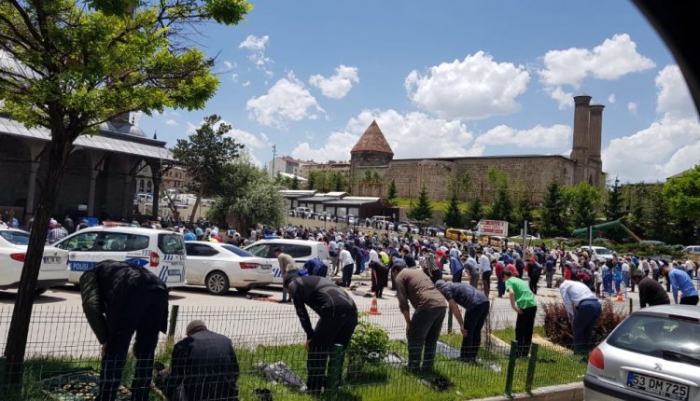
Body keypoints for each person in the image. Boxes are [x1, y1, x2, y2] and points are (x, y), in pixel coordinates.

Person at [80, 260, 169, 401]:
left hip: (130, 291)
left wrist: (105, 340)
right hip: (159, 290)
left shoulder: (89, 274)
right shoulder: (120, 269)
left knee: (115, 353)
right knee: (146, 352)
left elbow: (91, 306)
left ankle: (106, 397)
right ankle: (140, 396)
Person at [284, 270, 358, 394]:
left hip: (333, 309)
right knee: (337, 350)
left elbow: (302, 314)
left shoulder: (294, 285)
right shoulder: (311, 281)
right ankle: (332, 387)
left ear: (287, 285)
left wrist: (310, 337)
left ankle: (314, 389)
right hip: (352, 310)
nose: (288, 293)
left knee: (317, 350)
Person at [156, 320, 239, 401]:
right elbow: (236, 372)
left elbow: (175, 378)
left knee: (168, 382)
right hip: (227, 396)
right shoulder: (226, 341)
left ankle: (158, 375)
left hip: (197, 396)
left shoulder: (184, 344)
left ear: (189, 334)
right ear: (204, 328)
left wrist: (164, 379)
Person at [392, 261, 447, 373]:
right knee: (431, 339)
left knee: (415, 337)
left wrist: (408, 324)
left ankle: (414, 367)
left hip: (426, 305)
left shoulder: (400, 276)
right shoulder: (417, 272)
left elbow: (403, 303)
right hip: (441, 304)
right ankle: (427, 368)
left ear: (395, 270)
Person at [435, 280, 490, 362]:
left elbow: (454, 307)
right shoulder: (454, 285)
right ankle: (472, 356)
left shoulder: (445, 289)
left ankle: (465, 357)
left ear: (438, 288)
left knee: (467, 331)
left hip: (474, 305)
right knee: (476, 331)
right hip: (485, 301)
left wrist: (461, 325)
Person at [557, 277, 601, 355]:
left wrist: (571, 317)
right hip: (597, 305)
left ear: (560, 283)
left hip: (586, 305)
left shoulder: (563, 285)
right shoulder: (578, 283)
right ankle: (585, 351)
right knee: (587, 329)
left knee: (578, 329)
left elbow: (567, 303)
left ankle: (578, 353)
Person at [503, 270, 537, 358]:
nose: (503, 281)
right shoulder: (520, 280)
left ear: (504, 276)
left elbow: (511, 293)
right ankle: (525, 353)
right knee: (528, 330)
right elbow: (531, 293)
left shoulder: (509, 281)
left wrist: (514, 307)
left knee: (520, 330)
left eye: (502, 279)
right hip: (533, 304)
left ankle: (517, 353)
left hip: (524, 306)